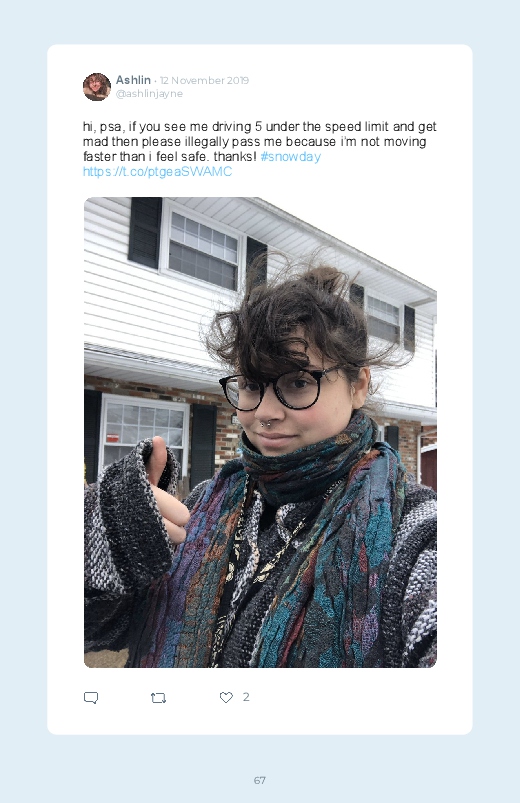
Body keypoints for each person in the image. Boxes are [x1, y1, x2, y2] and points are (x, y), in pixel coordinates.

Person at [84, 264, 436, 668]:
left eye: (298, 382)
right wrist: (95, 547)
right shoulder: (201, 506)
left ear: (358, 386)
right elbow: (95, 630)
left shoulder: (414, 532)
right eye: (251, 385)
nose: (264, 413)